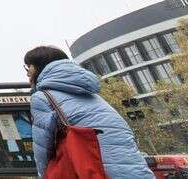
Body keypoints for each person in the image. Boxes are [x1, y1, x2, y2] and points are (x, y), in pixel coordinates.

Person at [26, 45, 154, 179]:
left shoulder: (42, 97)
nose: (28, 72)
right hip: (137, 171)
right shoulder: (96, 98)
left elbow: (43, 148)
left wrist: (45, 175)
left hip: (93, 171)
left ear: (39, 66)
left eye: (28, 66)